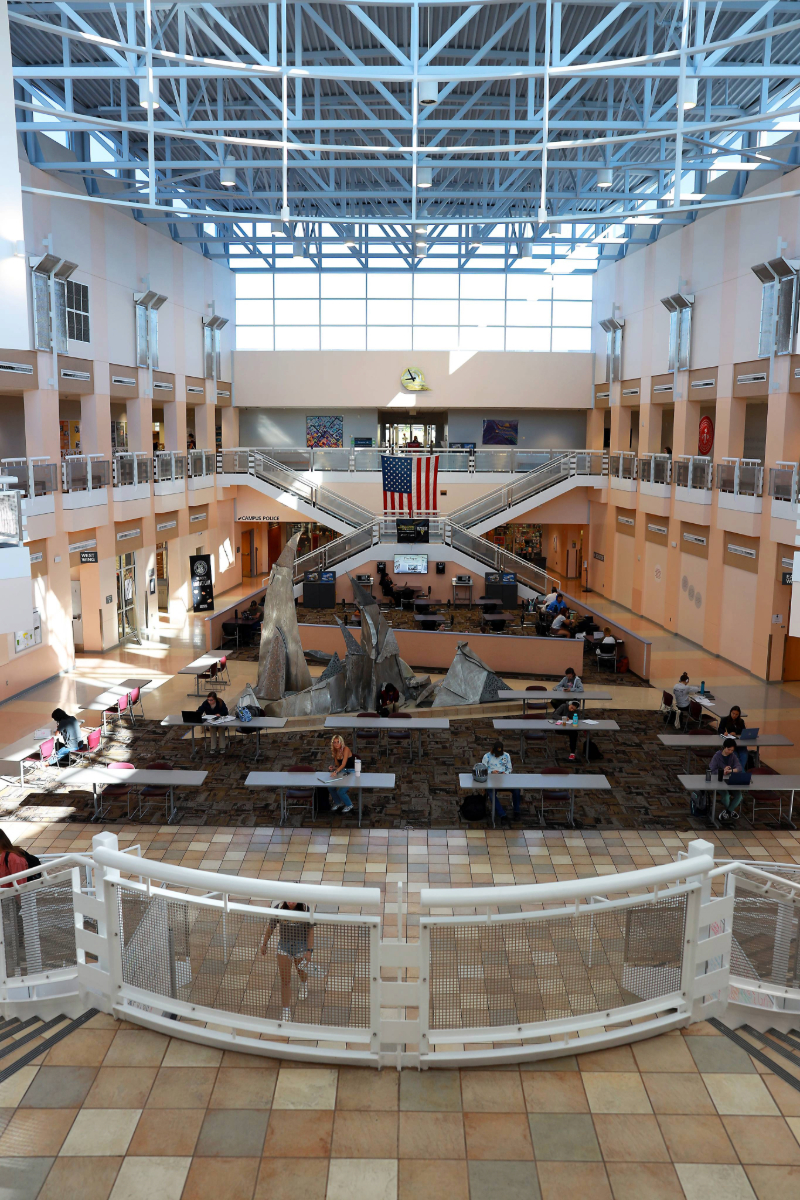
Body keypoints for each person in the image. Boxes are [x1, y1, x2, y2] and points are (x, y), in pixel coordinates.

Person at [260, 899, 314, 1022]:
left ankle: (304, 983)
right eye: (288, 899)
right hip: (284, 946)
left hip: (301, 946)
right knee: (285, 981)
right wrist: (264, 944)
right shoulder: (279, 908)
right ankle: (286, 1010)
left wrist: (309, 951)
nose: (290, 902)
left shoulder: (305, 909)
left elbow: (311, 930)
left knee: (301, 971)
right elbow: (271, 927)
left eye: (293, 899)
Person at [481, 740, 521, 822]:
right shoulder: (486, 756)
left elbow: (509, 769)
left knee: (517, 790)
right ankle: (502, 815)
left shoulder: (506, 755)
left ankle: (517, 811)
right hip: (492, 780)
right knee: (491, 793)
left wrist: (505, 773)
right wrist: (491, 772)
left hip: (505, 780)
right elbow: (482, 769)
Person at [708, 738, 746, 822]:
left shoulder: (732, 756)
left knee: (739, 796)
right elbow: (712, 770)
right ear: (724, 747)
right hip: (719, 780)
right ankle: (730, 811)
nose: (730, 751)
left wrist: (731, 770)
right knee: (725, 796)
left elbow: (739, 767)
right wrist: (722, 771)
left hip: (730, 780)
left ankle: (728, 811)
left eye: (732, 750)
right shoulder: (717, 756)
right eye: (729, 749)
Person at [327, 734, 355, 814]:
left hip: (351, 771)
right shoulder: (335, 751)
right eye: (334, 742)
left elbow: (343, 764)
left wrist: (336, 771)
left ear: (341, 742)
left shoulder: (346, 749)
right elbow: (338, 765)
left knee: (341, 791)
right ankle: (338, 803)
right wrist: (334, 767)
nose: (336, 744)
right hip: (342, 771)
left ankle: (349, 805)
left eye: (338, 742)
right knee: (331, 788)